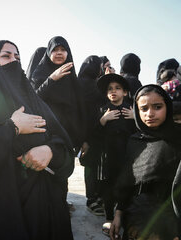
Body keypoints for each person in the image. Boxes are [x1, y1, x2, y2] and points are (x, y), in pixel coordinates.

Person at [0, 40, 75, 240]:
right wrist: (12, 127)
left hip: (43, 211)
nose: (14, 61)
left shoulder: (33, 101)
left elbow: (64, 146)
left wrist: (49, 151)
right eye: (6, 56)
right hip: (0, 214)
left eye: (17, 57)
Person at [109, 84, 181, 240]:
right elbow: (126, 183)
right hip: (137, 218)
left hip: (171, 219)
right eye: (144, 109)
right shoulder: (135, 141)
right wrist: (118, 214)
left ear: (167, 107)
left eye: (157, 107)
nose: (150, 114)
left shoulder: (178, 138)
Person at [96, 73, 136, 235]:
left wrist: (135, 118)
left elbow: (141, 131)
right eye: (110, 89)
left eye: (118, 88)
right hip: (108, 156)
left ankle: (125, 215)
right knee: (109, 186)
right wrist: (103, 120)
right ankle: (110, 217)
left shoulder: (131, 108)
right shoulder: (103, 110)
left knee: (126, 185)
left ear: (125, 92)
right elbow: (94, 134)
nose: (113, 91)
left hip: (128, 156)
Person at [30, 36, 86, 150]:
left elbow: (79, 110)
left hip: (67, 138)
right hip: (44, 135)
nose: (59, 53)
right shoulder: (39, 75)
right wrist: (51, 79)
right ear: (48, 52)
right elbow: (34, 100)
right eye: (55, 50)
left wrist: (82, 139)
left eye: (63, 50)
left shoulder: (72, 79)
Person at [77, 55, 105, 216]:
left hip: (81, 131)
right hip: (90, 132)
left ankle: (93, 198)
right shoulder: (91, 85)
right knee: (92, 167)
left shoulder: (77, 83)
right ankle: (92, 199)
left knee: (90, 166)